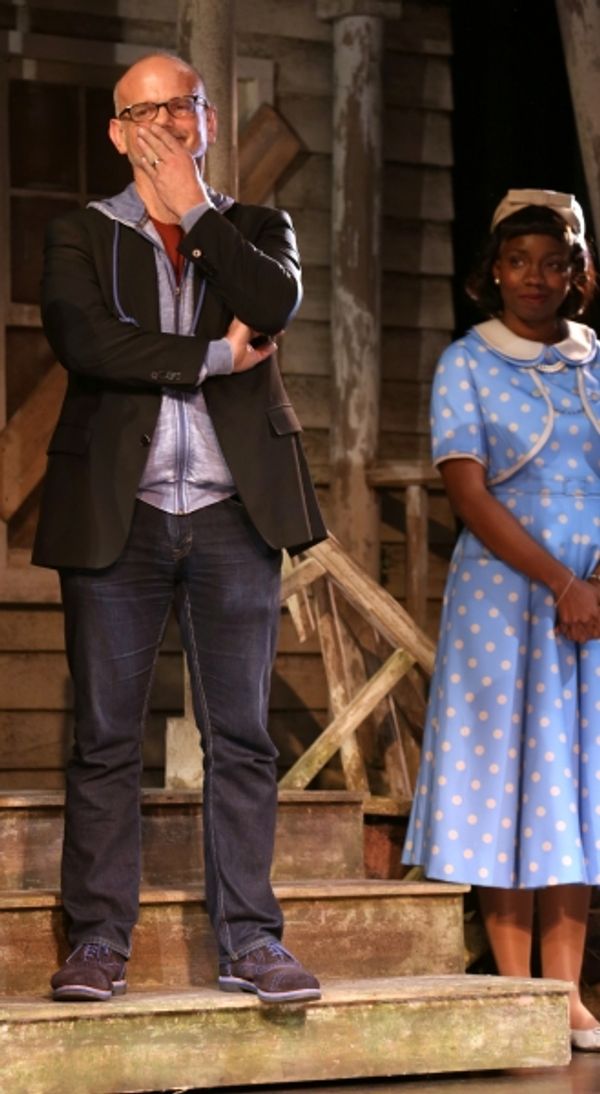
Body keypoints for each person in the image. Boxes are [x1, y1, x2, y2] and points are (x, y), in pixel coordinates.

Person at [32, 51, 326, 1005]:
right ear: (118, 131)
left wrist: (197, 211)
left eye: (182, 107)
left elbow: (275, 303)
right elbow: (87, 341)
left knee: (241, 735)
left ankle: (251, 939)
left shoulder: (252, 225)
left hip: (234, 512)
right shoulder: (81, 233)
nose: (164, 123)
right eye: (143, 111)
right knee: (106, 736)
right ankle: (99, 941)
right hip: (123, 508)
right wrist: (212, 357)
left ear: (203, 118)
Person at [402, 188, 600, 1050]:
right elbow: (468, 490)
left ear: (574, 274)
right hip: (507, 598)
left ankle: (568, 992)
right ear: (493, 271)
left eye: (553, 263)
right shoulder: (467, 362)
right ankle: (514, 993)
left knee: (574, 790)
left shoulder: (596, 362)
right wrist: (562, 580)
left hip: (592, 603)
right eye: (518, 262)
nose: (535, 278)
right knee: (506, 784)